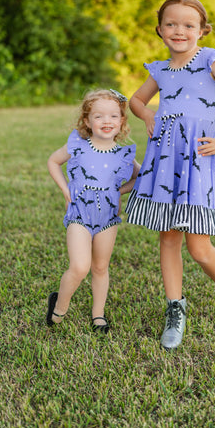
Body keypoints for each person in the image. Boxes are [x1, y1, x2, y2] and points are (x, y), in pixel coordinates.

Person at [126, 0, 215, 350]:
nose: (179, 31)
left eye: (188, 25)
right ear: (160, 29)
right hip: (164, 163)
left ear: (202, 30)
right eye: (171, 24)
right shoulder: (160, 70)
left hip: (196, 164)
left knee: (199, 248)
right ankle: (175, 308)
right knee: (168, 237)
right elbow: (135, 100)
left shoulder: (211, 61)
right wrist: (147, 115)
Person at [46, 89, 140, 333]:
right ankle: (60, 305)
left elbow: (141, 177)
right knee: (80, 266)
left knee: (100, 267)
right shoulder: (78, 145)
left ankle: (98, 315)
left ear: (121, 121)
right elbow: (53, 161)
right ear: (87, 121)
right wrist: (65, 190)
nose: (106, 121)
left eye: (113, 116)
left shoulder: (123, 155)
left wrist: (119, 191)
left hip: (108, 218)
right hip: (79, 215)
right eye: (99, 116)